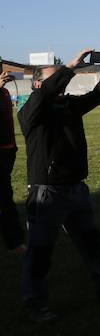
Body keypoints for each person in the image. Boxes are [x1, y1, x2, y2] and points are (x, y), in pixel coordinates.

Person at [17, 50, 100, 323]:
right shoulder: (30, 112)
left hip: (76, 189)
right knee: (40, 251)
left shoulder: (68, 106)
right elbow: (46, 94)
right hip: (46, 191)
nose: (62, 82)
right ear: (38, 85)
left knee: (91, 243)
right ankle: (35, 304)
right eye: (54, 78)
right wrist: (69, 67)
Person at [1, 70, 25, 252]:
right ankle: (14, 241)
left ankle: (14, 241)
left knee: (5, 198)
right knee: (5, 199)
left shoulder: (6, 93)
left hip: (8, 151)